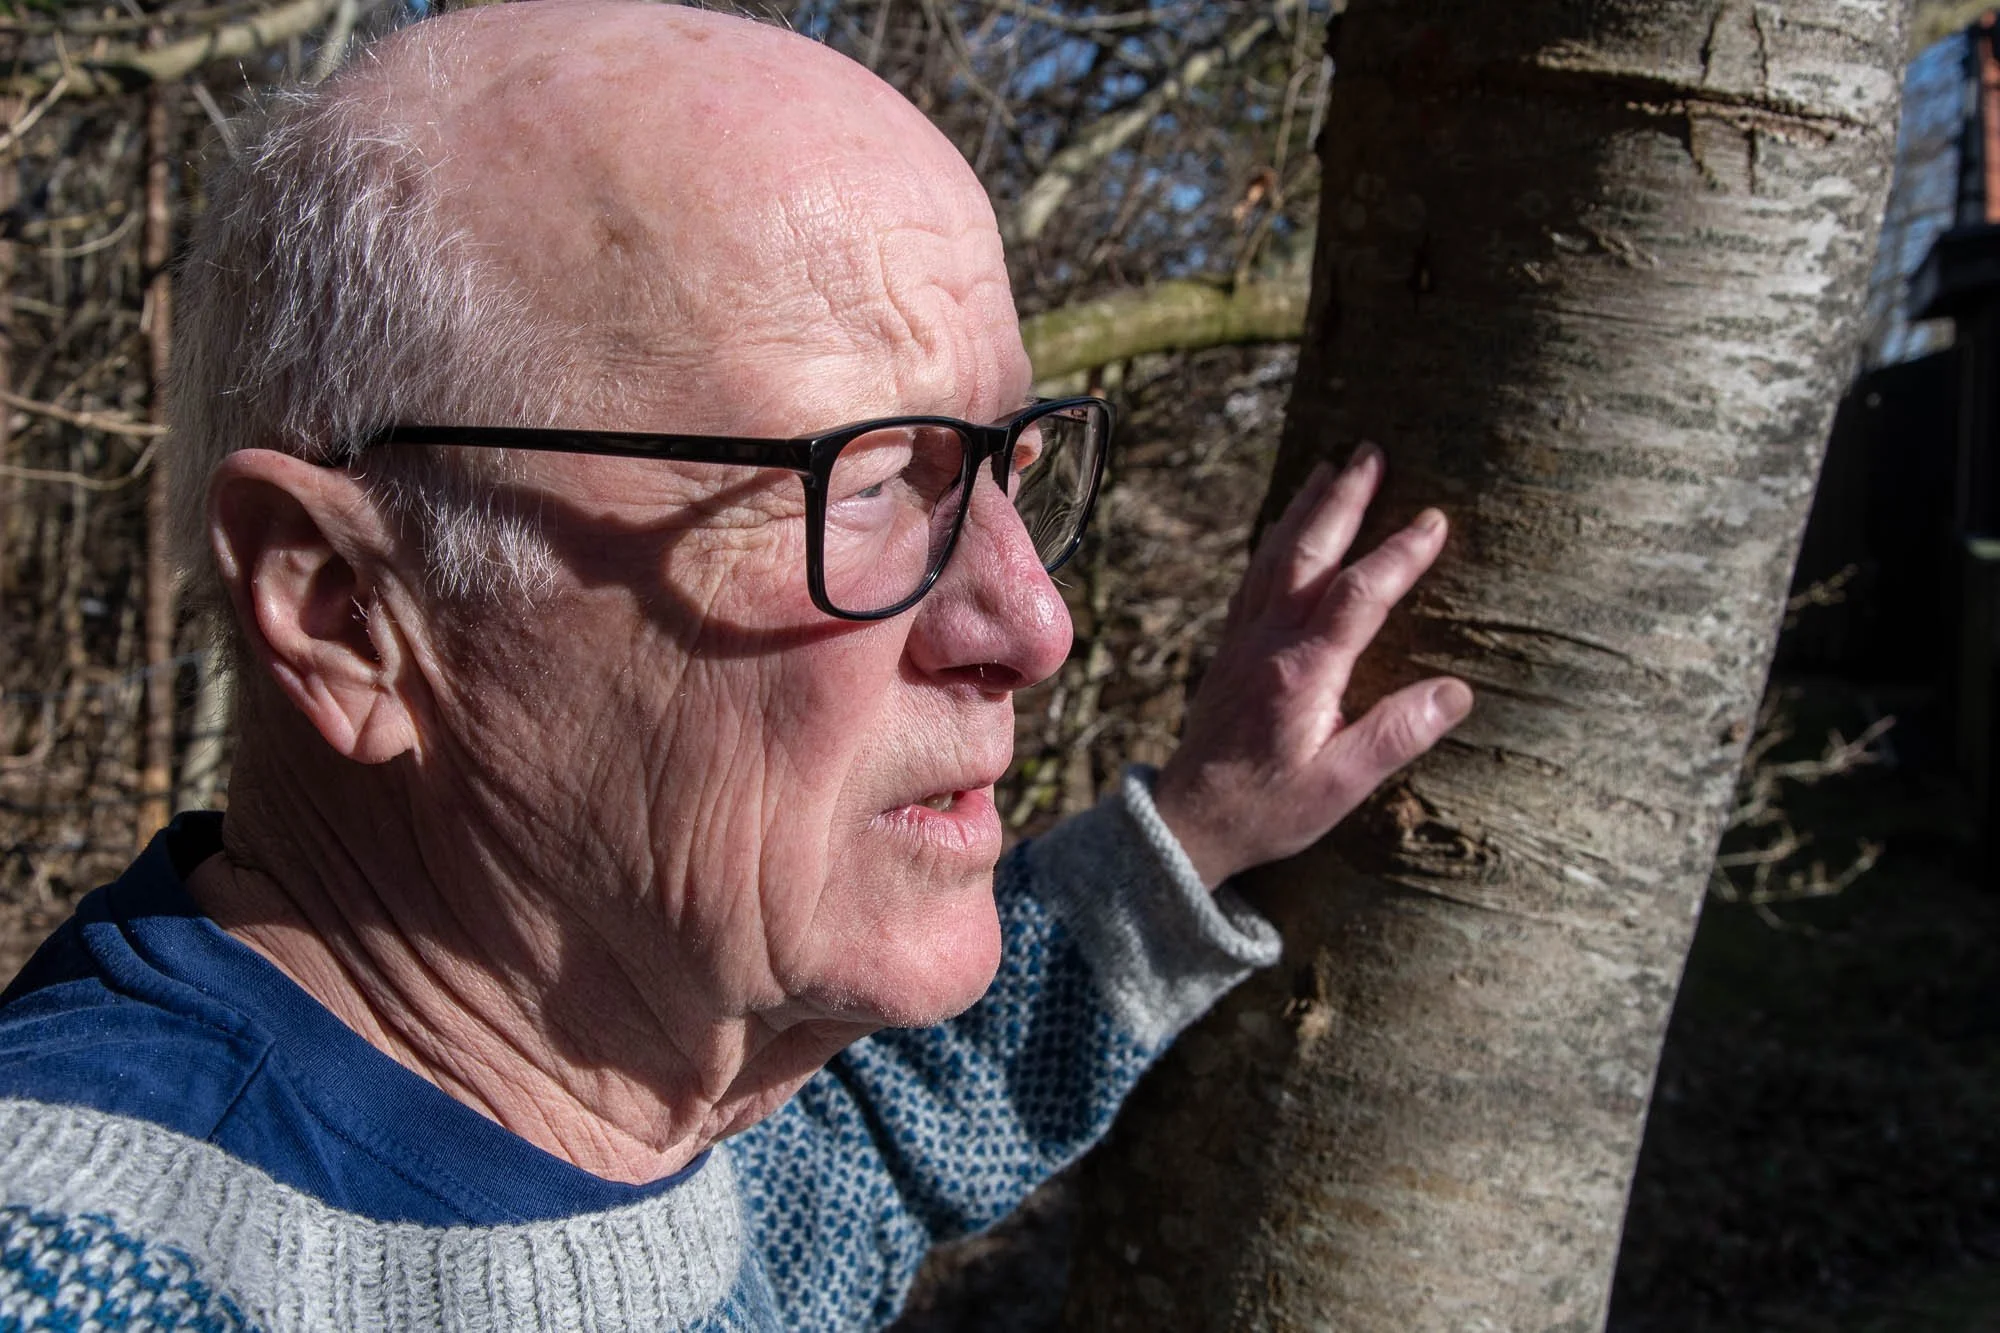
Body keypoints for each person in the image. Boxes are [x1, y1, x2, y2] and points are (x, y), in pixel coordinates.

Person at [0, 3, 1472, 1328]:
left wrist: (1201, 826)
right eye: (867, 481)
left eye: (1007, 472)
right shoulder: (83, 1273)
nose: (1034, 624)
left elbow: (880, 1144)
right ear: (346, 611)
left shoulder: (647, 1106)